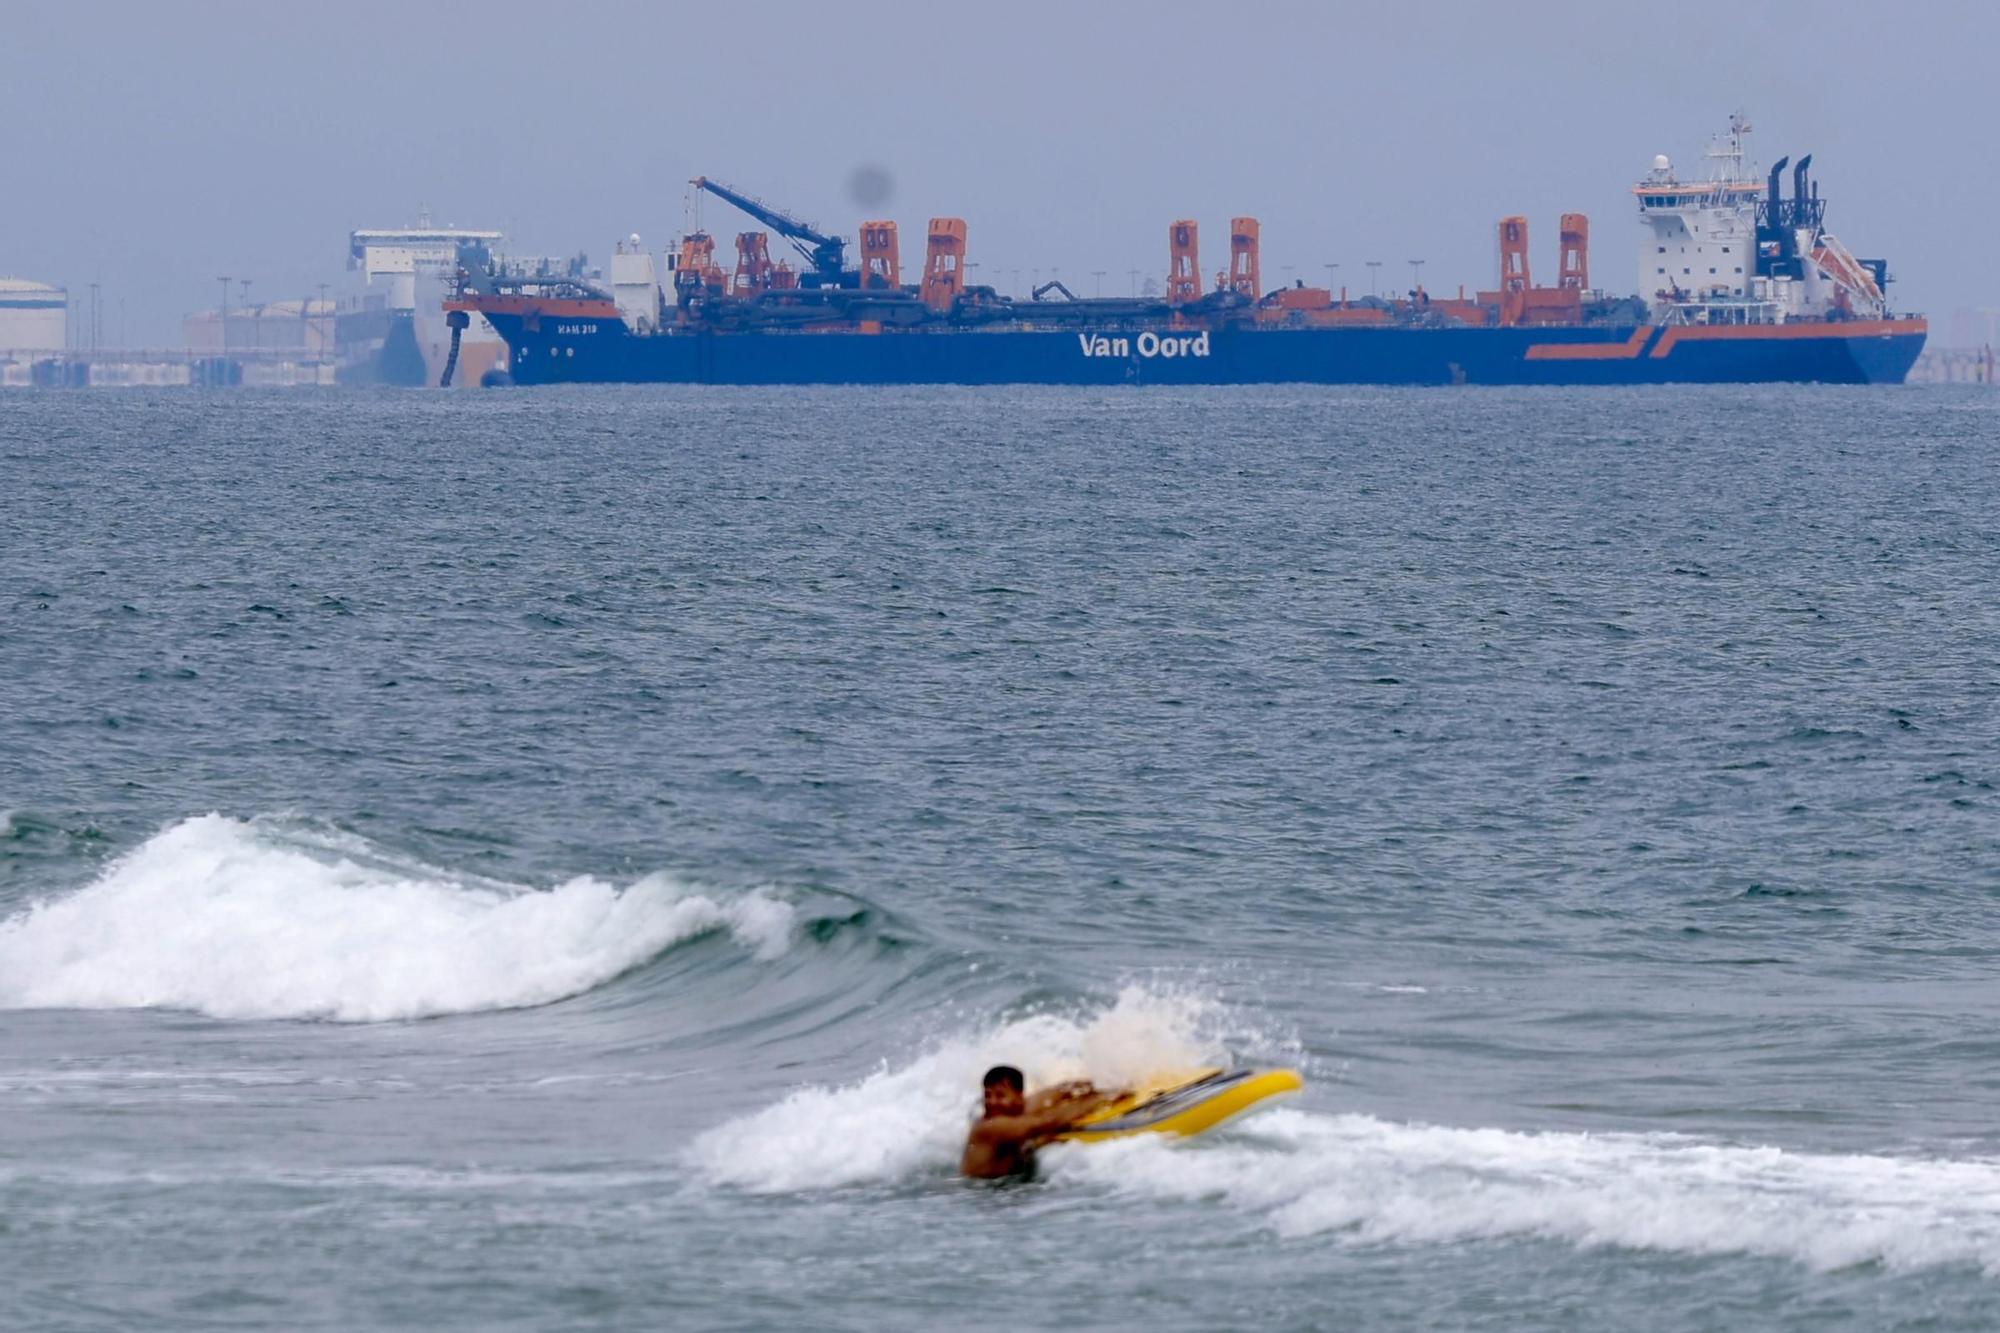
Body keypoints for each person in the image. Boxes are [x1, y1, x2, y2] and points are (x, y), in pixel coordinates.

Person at [960, 1065, 1124, 1180]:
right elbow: (1049, 1122)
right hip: (982, 1193)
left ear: (1019, 1097)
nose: (992, 1102)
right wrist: (1106, 1097)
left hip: (1010, 1180)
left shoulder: (1023, 1108)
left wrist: (1106, 1084)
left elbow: (1063, 1090)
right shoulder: (990, 1127)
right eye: (987, 1095)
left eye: (1000, 1096)